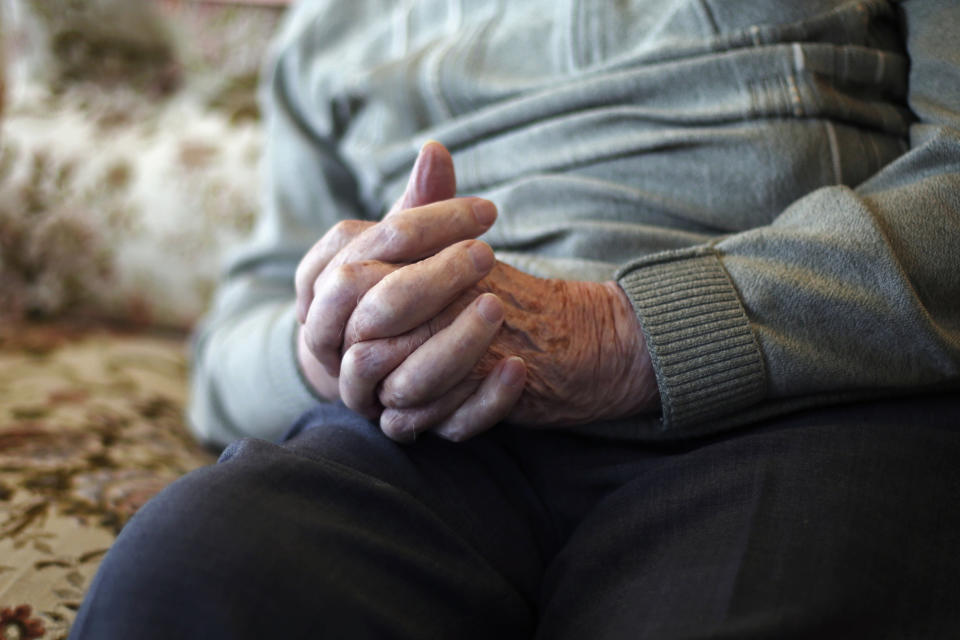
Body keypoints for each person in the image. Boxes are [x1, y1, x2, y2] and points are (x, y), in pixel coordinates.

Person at [71, 0, 960, 637]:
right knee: (186, 572)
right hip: (423, 442)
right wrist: (330, 340)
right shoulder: (325, 28)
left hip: (792, 410)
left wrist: (623, 335)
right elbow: (236, 336)